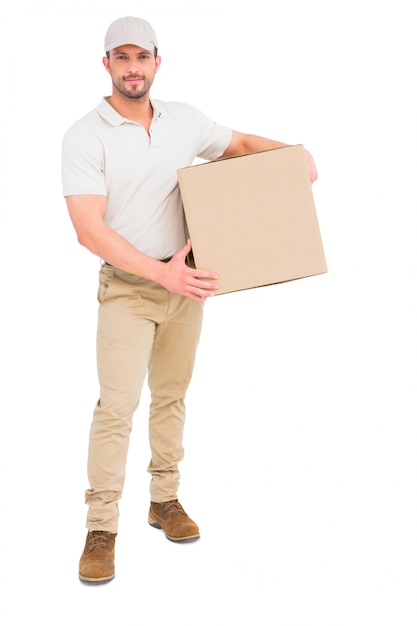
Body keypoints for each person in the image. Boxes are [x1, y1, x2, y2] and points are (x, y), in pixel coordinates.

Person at [61, 15, 318, 584]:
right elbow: (88, 229)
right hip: (129, 289)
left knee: (172, 397)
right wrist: (160, 274)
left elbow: (241, 146)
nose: (133, 68)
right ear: (106, 65)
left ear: (157, 62)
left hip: (189, 285)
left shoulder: (184, 120)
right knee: (116, 408)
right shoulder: (86, 134)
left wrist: (292, 155)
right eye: (121, 58)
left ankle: (164, 500)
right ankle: (100, 528)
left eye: (142, 57)